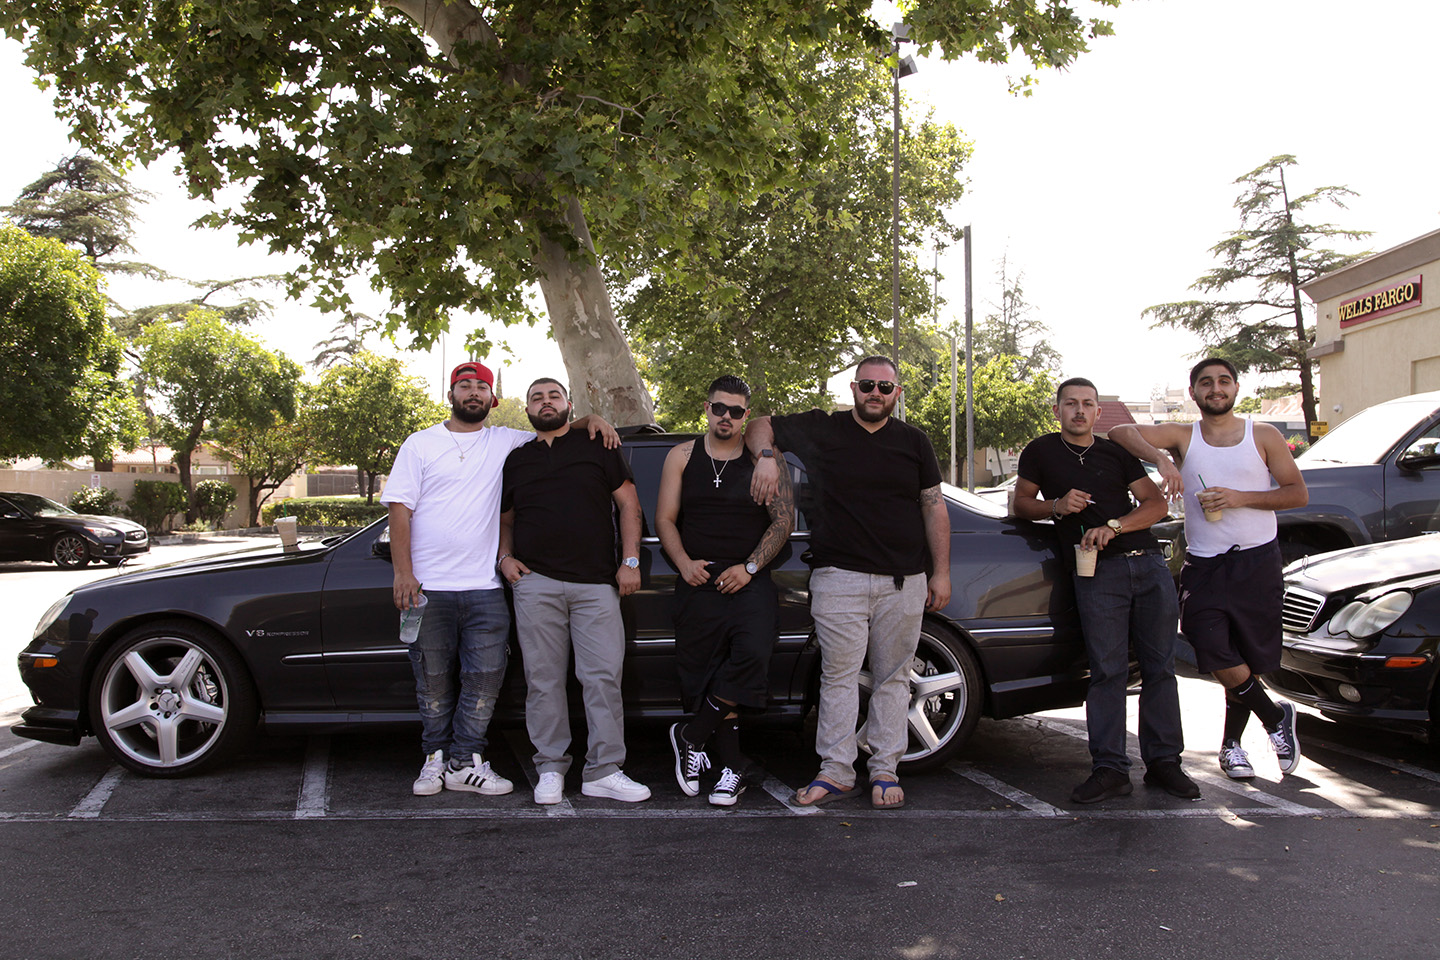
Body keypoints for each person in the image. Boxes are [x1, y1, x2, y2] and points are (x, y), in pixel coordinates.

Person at [382, 360, 617, 798]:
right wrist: (403, 572)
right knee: (432, 679)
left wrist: (594, 419)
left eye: (481, 388)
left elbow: (557, 425)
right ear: (451, 395)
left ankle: (465, 762)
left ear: (493, 399)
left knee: (484, 681)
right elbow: (399, 508)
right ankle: (433, 759)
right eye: (464, 386)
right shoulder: (420, 443)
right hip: (428, 586)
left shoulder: (508, 441)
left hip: (486, 587)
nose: (473, 393)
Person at [746, 356, 950, 810]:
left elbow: (933, 506)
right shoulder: (824, 428)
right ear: (853, 388)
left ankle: (883, 770)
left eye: (884, 387)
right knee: (838, 678)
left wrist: (941, 572)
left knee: (894, 679)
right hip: (839, 577)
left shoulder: (914, 442)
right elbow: (760, 423)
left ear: (897, 393)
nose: (875, 393)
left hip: (904, 580)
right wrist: (764, 458)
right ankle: (836, 771)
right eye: (866, 385)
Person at [1110, 358, 1308, 779]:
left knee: (1245, 658)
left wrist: (1240, 497)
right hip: (1204, 563)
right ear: (1194, 393)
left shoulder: (1264, 435)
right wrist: (1162, 460)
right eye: (1205, 383)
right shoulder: (1183, 435)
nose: (1215, 389)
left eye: (1223, 381)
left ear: (1236, 388)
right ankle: (1275, 717)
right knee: (1211, 646)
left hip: (1257, 560)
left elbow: (1297, 494)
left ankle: (1231, 747)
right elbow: (1120, 432)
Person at [1014, 377, 1199, 803]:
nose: (1080, 411)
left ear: (1098, 413)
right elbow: (1021, 504)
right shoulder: (1040, 451)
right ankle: (1110, 769)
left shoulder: (1116, 452)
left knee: (1160, 669)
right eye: (1071, 404)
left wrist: (1113, 526)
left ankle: (1165, 764)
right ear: (1057, 410)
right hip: (1097, 573)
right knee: (1108, 671)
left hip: (1148, 566)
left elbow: (1156, 505)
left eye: (1088, 404)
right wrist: (1056, 506)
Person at [498, 378, 651, 804]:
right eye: (536, 398)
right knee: (542, 681)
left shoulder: (598, 446)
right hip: (535, 584)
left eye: (554, 396)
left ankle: (604, 770)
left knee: (602, 679)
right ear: (527, 409)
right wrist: (505, 558)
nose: (545, 403)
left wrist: (630, 560)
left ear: (569, 404)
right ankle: (550, 767)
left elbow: (629, 505)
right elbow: (506, 519)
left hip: (597, 584)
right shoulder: (517, 460)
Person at [655, 375, 794, 806]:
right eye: (720, 408)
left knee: (751, 656)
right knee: (711, 673)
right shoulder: (681, 456)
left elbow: (783, 521)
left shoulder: (764, 462)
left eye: (736, 411)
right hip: (697, 580)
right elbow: (664, 519)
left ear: (745, 416)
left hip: (748, 581)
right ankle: (730, 769)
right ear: (706, 407)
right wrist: (682, 563)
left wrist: (749, 566)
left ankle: (691, 734)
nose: (727, 417)